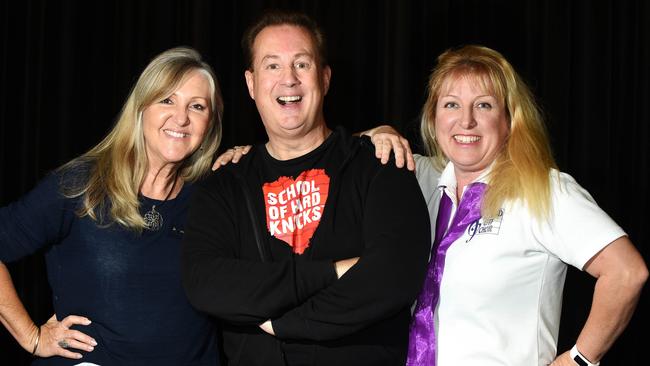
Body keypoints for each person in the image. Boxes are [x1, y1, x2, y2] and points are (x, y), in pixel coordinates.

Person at [367, 45, 647, 366]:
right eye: (451, 105)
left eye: (483, 105)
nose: (466, 121)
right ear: (433, 117)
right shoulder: (420, 180)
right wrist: (380, 132)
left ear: (510, 119)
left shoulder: (543, 190)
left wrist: (579, 359)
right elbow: (332, 151)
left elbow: (626, 272)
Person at [181, 10, 431, 366]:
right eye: (272, 66)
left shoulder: (380, 164)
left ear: (325, 78)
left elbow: (395, 276)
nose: (289, 80)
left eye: (302, 64)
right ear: (251, 84)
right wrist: (333, 272)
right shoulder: (225, 183)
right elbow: (206, 283)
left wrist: (287, 323)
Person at [0, 46, 223, 365]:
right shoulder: (81, 185)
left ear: (210, 124)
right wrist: (32, 337)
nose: (181, 118)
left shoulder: (216, 197)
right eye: (167, 100)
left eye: (198, 106)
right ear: (141, 108)